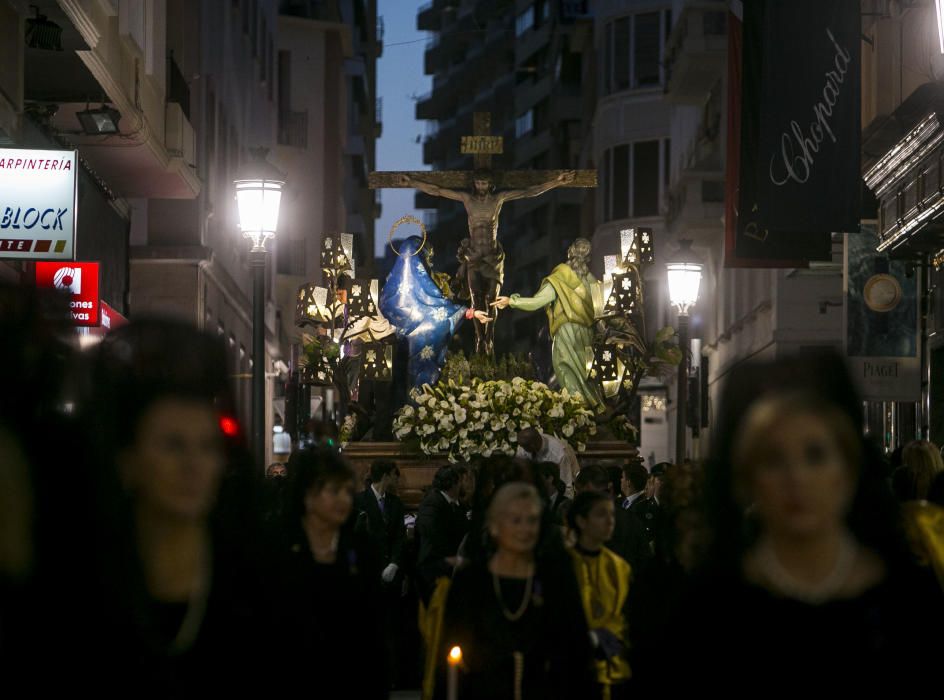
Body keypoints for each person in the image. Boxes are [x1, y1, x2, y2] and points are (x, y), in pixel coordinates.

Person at [645, 353, 944, 691]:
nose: (796, 478)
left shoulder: (908, 600)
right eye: (773, 459)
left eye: (815, 455)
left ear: (847, 467)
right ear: (748, 477)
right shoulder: (709, 609)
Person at [88, 319, 267, 694]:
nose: (193, 465)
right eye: (172, 446)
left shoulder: (253, 584)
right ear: (129, 461)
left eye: (206, 447)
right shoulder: (88, 583)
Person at [436, 482, 596, 699]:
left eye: (531, 521)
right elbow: (450, 649)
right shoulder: (471, 580)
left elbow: (576, 647)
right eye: (515, 520)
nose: (524, 529)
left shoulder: (556, 578)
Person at [399, 170, 576, 355]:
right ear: (474, 184)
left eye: (484, 183)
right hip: (474, 257)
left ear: (490, 185)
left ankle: (489, 337)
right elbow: (438, 190)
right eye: (478, 183)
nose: (481, 186)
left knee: (492, 300)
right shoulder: (467, 199)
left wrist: (556, 182)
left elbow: (527, 192)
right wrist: (412, 182)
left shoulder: (498, 199)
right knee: (476, 299)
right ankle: (480, 339)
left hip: (493, 257)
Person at [272, 447, 387, 697]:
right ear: (308, 495)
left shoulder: (362, 550)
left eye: (347, 491)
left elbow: (374, 632)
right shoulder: (276, 550)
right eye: (334, 491)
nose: (344, 499)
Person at [493, 238, 604, 409]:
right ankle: (593, 413)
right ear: (588, 258)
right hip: (588, 336)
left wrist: (511, 301)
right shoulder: (593, 282)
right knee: (586, 378)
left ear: (569, 252)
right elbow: (602, 315)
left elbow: (537, 302)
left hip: (566, 334)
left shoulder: (560, 278)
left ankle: (579, 416)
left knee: (568, 377)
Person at [379, 235, 491, 389]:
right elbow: (437, 313)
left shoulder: (388, 291)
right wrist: (468, 313)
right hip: (396, 355)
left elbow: (436, 309)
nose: (429, 263)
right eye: (426, 257)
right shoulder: (417, 289)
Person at [567, 491, 632, 700]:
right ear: (581, 521)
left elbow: (625, 612)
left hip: (614, 664)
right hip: (575, 664)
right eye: (601, 514)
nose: (610, 521)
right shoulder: (564, 564)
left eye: (612, 514)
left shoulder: (618, 566)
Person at [574, 466, 648, 572]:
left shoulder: (588, 520)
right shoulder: (629, 516)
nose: (577, 499)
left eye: (578, 492)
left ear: (588, 487)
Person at [416, 465, 469, 602]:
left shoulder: (456, 505)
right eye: (460, 482)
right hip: (435, 571)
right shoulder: (432, 503)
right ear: (453, 484)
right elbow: (433, 536)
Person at [516, 427, 579, 498]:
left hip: (559, 487)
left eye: (523, 447)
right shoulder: (525, 445)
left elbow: (566, 484)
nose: (522, 449)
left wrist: (564, 504)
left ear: (532, 446)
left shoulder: (559, 452)